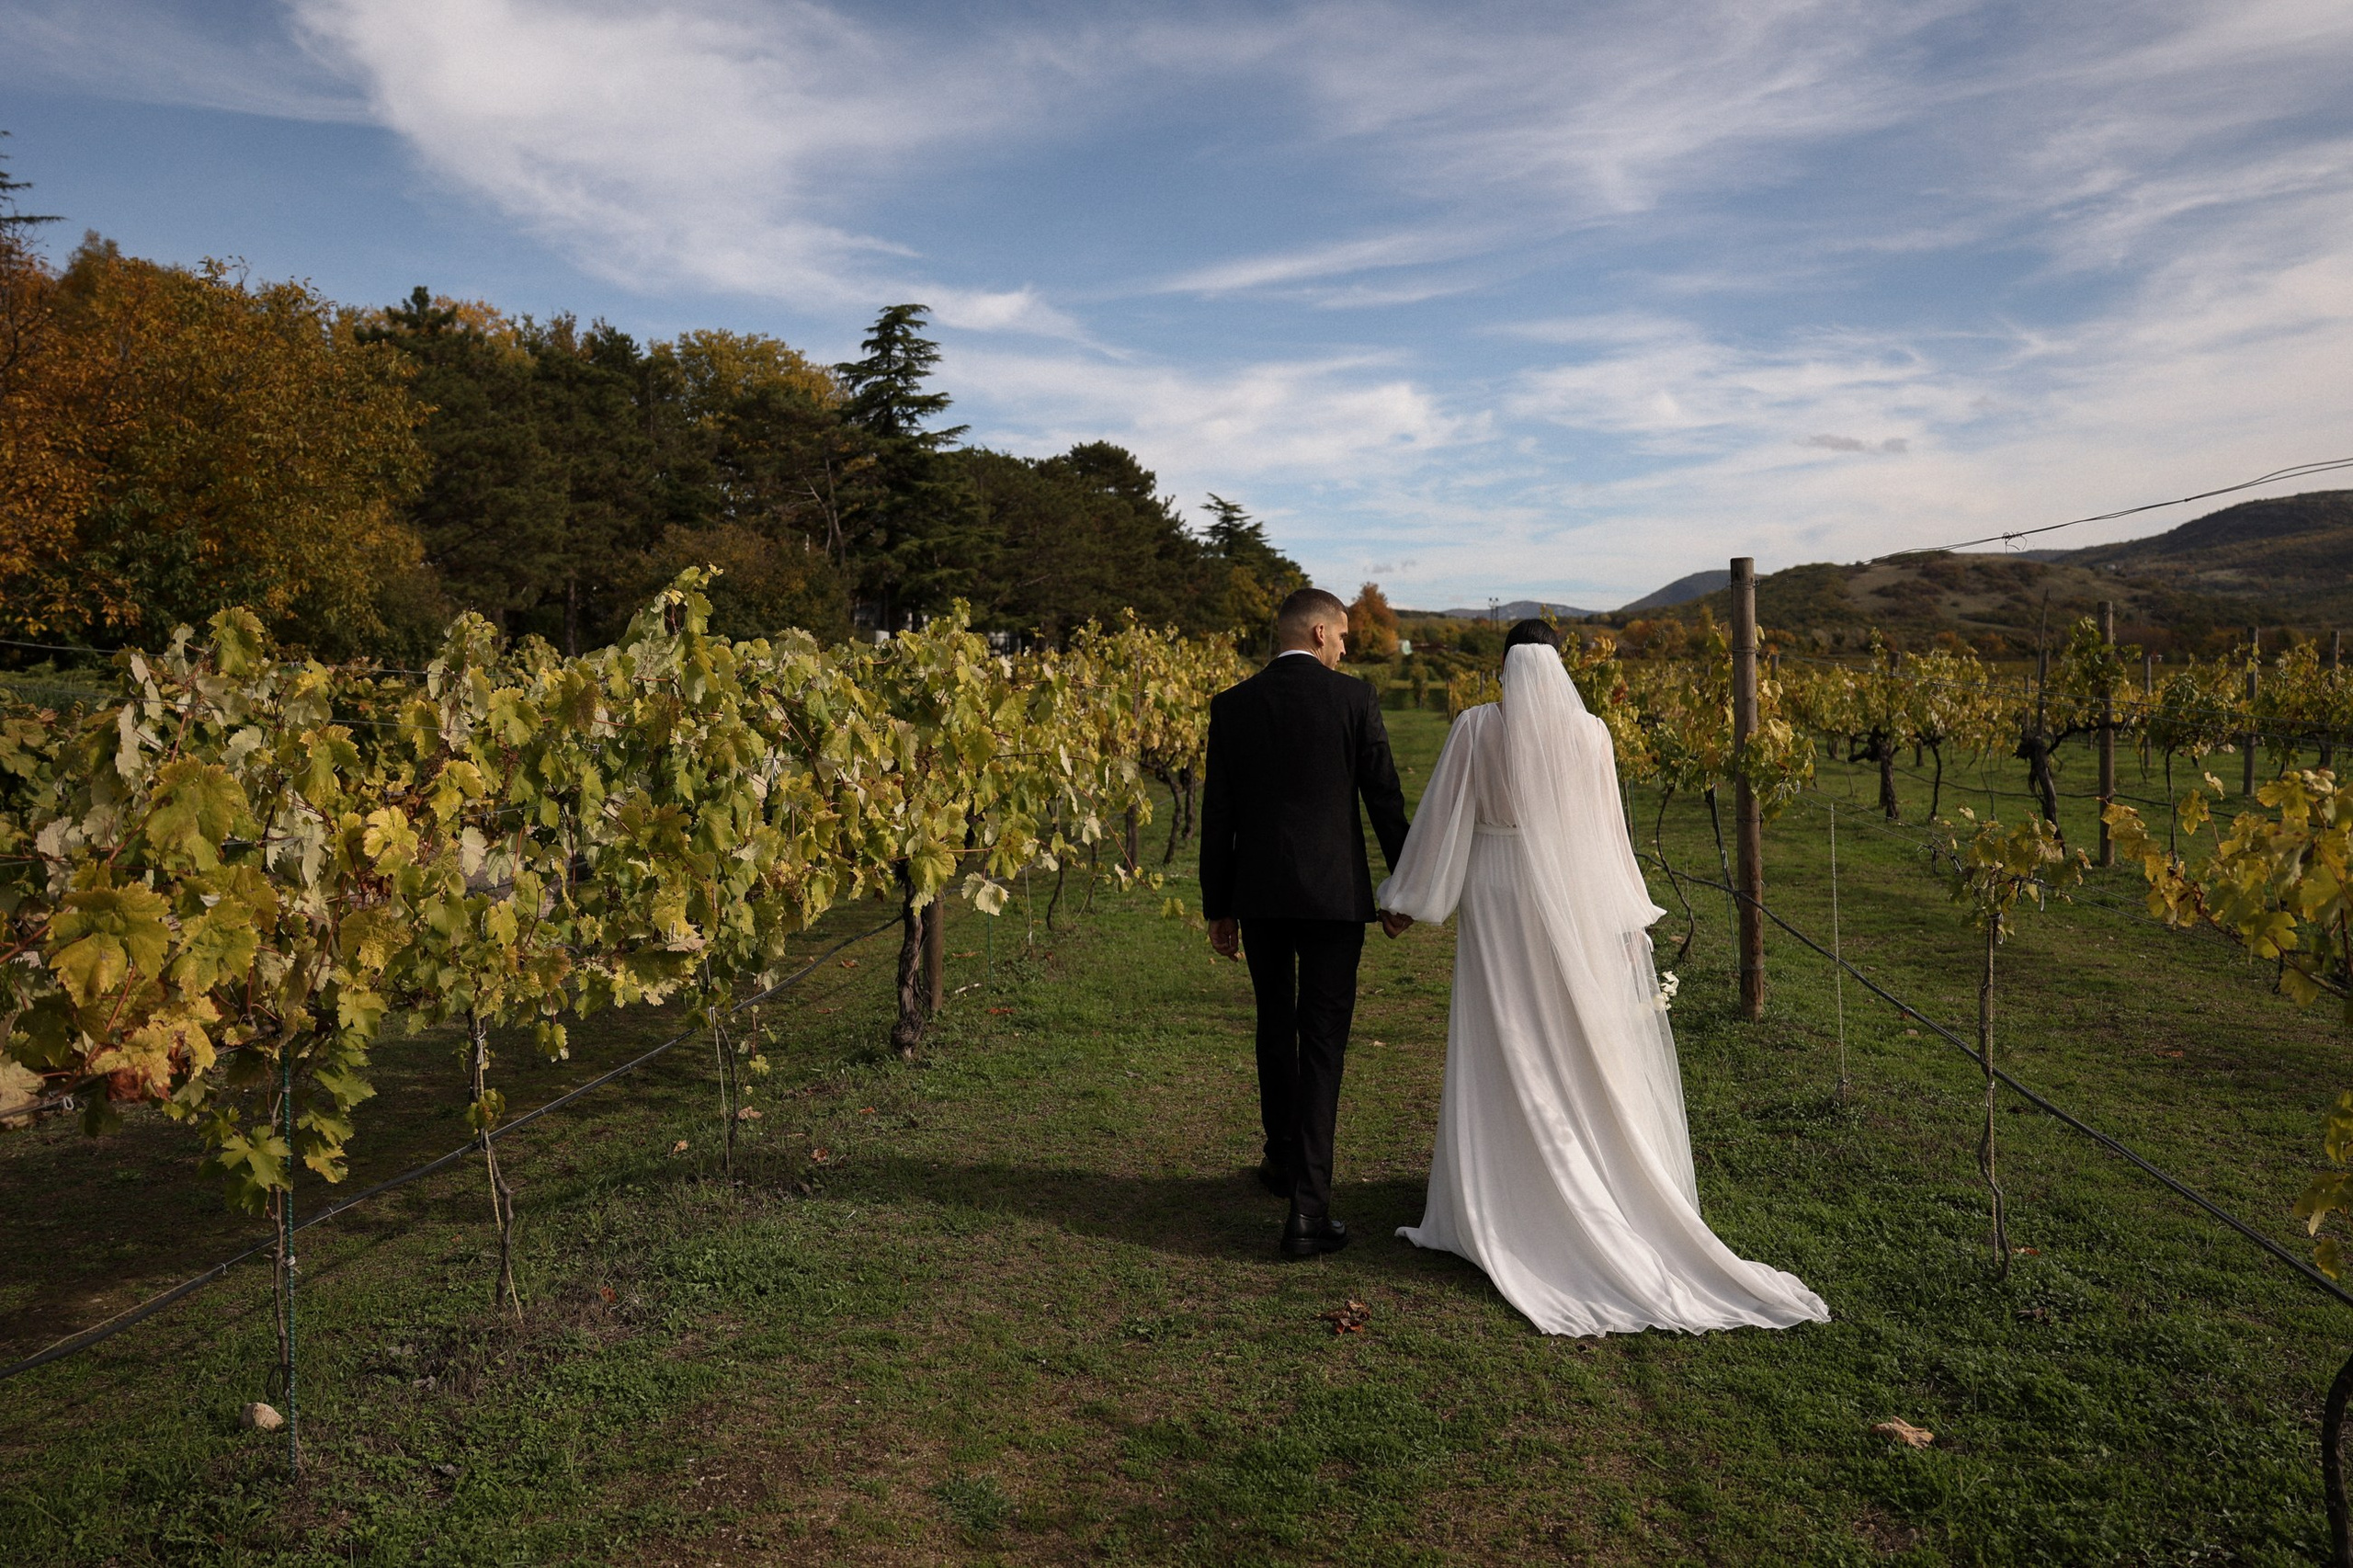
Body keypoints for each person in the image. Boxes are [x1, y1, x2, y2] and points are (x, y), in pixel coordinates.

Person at [1376, 619, 1829, 1335]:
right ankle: (1570, 1174)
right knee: (1567, 1030)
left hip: (1494, 891)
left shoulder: (1473, 728)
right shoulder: (1590, 736)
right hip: (1571, 893)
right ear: (1560, 667)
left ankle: (1497, 1191)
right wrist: (1623, 919)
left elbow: (1445, 817)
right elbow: (1603, 834)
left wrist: (1409, 895)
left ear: (1502, 668)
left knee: (1504, 1032)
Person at [1200, 586, 1412, 1258]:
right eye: (1344, 636)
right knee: (1322, 1044)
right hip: (1333, 899)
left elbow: (1219, 815)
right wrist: (1404, 886)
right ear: (1319, 633)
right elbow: (1384, 799)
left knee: (1273, 1025)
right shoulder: (1354, 700)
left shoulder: (1232, 706)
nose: (1347, 647)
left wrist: (1218, 905)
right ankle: (1308, 1212)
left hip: (1259, 895)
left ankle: (1282, 1160)